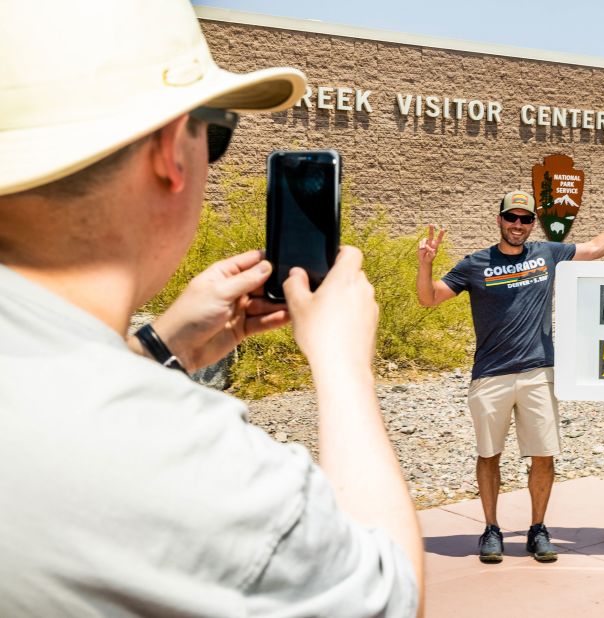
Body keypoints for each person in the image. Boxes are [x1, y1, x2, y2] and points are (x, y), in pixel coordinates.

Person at [0, 1, 422, 616]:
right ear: (171, 152)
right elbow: (391, 591)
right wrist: (342, 365)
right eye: (217, 129)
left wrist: (159, 348)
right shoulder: (178, 460)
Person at [416, 189, 604, 563]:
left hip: (538, 372)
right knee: (489, 454)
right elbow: (428, 298)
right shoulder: (475, 264)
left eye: (526, 219)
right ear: (499, 220)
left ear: (532, 224)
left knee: (543, 454)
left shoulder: (547, 254)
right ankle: (491, 529)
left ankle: (538, 528)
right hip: (490, 375)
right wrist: (425, 264)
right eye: (512, 218)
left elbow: (593, 247)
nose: (519, 225)